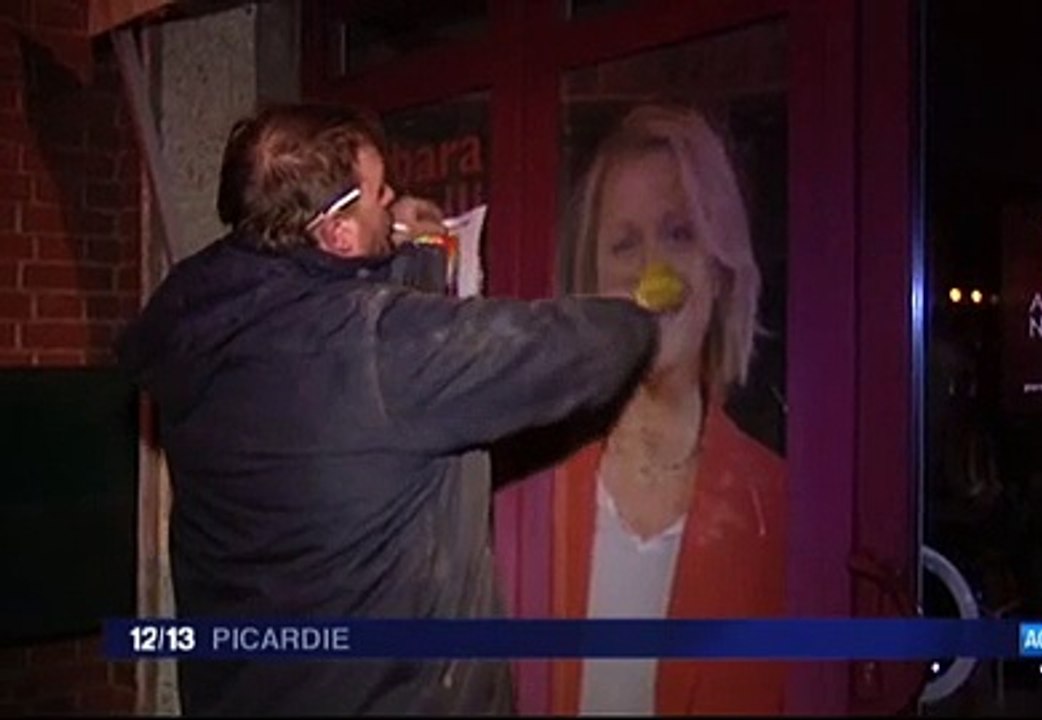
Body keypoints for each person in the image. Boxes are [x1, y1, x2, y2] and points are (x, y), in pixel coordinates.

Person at [116, 103, 658, 716]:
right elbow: (571, 351)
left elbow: (356, 340)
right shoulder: (376, 351)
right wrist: (640, 314)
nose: (396, 199)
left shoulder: (208, 327)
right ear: (338, 234)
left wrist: (400, 241)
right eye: (380, 193)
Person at [550, 103, 788, 716]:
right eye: (624, 244)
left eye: (679, 233)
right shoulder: (532, 488)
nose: (651, 271)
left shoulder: (782, 510)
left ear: (720, 268)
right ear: (592, 280)